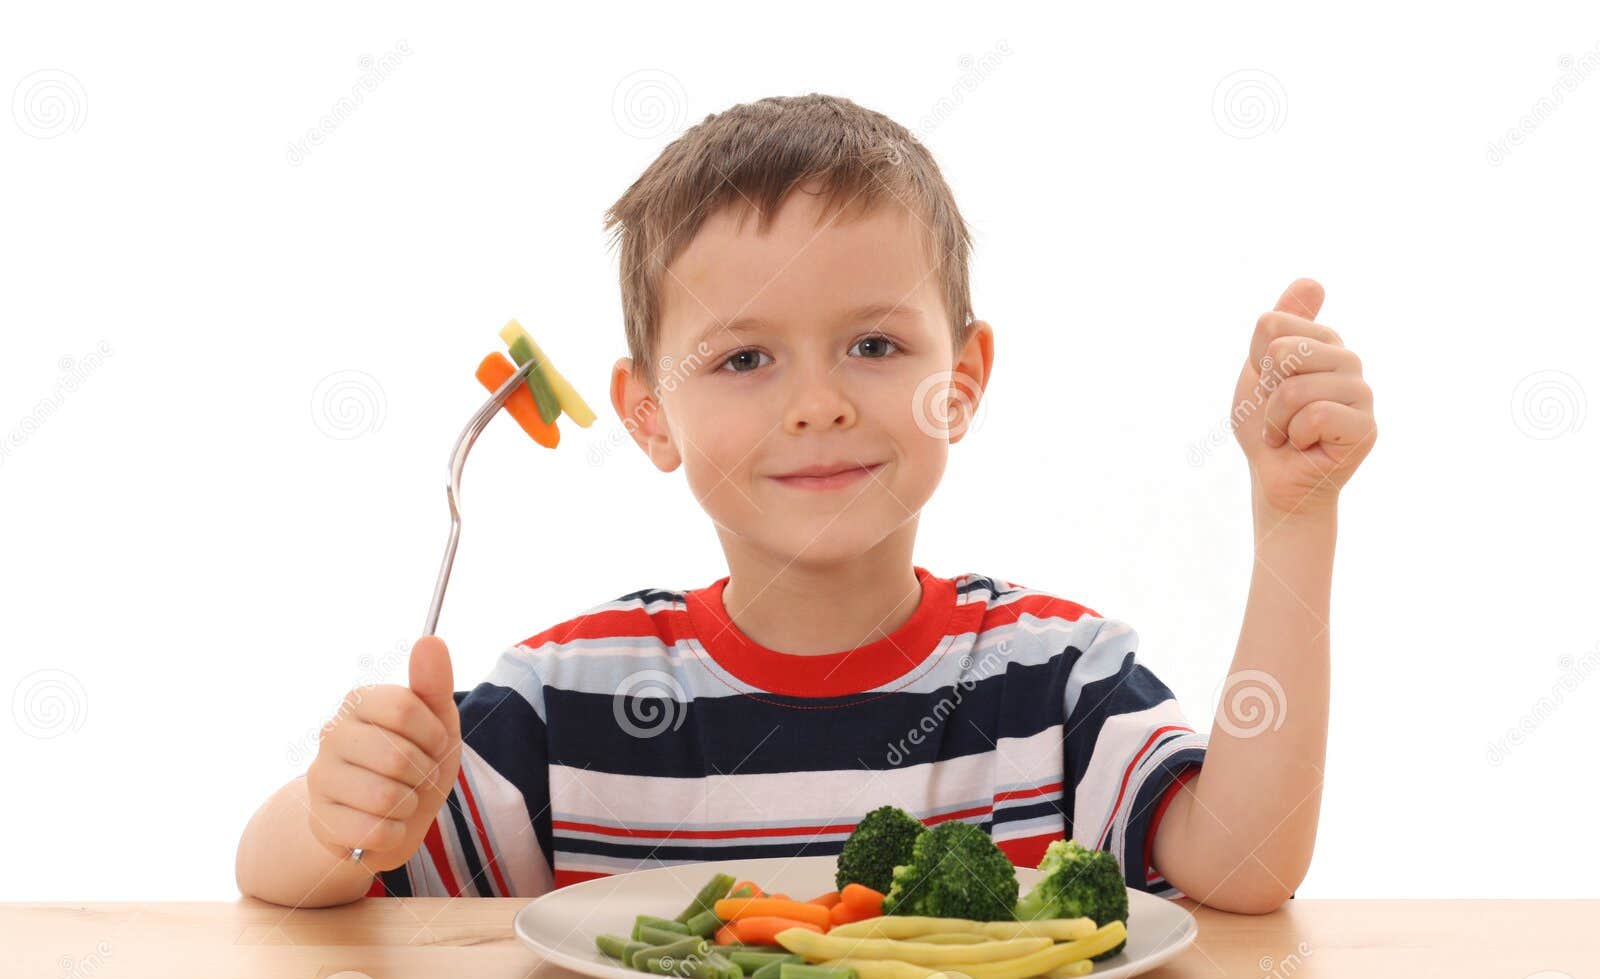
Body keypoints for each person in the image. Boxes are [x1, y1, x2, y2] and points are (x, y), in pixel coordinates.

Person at [236, 94, 1376, 913]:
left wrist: (1293, 518)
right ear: (648, 415)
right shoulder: (564, 702)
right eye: (744, 360)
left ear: (963, 378)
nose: (819, 404)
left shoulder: (1053, 676)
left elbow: (1244, 864)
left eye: (873, 344)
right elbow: (282, 879)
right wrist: (340, 815)